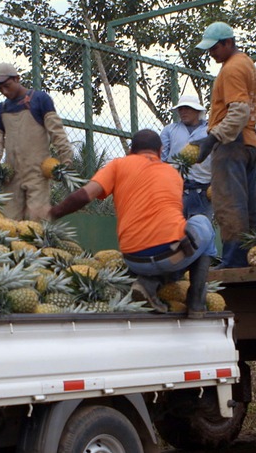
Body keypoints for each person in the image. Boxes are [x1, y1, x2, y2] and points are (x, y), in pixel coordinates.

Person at [49, 129, 214, 317]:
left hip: (134, 261)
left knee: (175, 243)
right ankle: (196, 304)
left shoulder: (118, 165)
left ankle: (149, 283)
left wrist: (53, 212)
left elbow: (84, 195)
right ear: (160, 152)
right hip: (171, 257)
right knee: (202, 224)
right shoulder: (173, 174)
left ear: (130, 151)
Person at [193, 22, 256, 268]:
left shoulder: (231, 68)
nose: (211, 53)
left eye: (215, 48)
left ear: (229, 43)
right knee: (249, 203)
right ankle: (255, 252)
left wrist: (212, 138)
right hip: (249, 143)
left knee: (228, 201)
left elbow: (239, 111)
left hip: (232, 143)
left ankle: (234, 259)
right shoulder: (246, 63)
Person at [0, 62, 75, 221]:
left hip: (38, 172)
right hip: (11, 174)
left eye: (7, 86)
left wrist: (65, 157)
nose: (4, 91)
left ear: (17, 79)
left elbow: (56, 130)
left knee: (36, 218)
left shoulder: (40, 99)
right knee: (8, 220)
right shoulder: (1, 109)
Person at [158, 93, 213, 219]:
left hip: (204, 190)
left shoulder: (210, 131)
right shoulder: (169, 130)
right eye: (181, 109)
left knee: (201, 231)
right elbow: (162, 159)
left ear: (197, 111)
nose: (183, 111)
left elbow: (219, 160)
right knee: (174, 230)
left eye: (187, 108)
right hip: (176, 190)